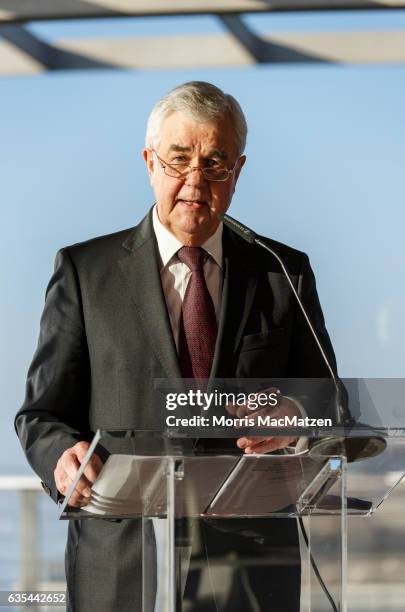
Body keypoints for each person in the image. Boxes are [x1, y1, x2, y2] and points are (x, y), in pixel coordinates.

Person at [15, 81, 337, 611]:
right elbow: (42, 414)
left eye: (216, 162)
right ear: (148, 161)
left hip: (251, 564)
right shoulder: (84, 272)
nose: (195, 180)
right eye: (179, 159)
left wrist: (296, 413)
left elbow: (331, 402)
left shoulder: (283, 271)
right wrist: (60, 457)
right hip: (120, 563)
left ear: (238, 171)